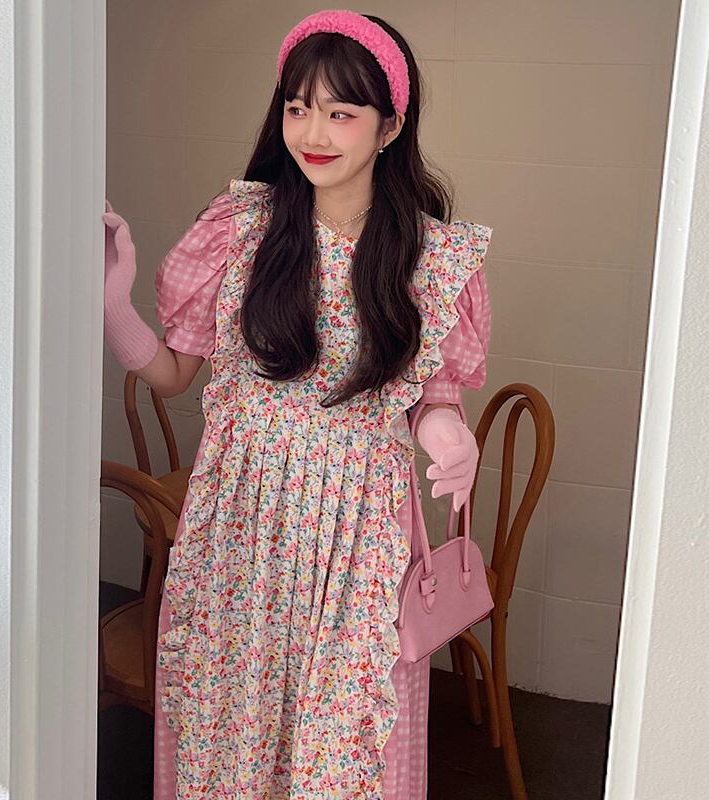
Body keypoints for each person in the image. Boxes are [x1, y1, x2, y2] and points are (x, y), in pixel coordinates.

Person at [102, 9, 492, 798]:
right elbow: (176, 375)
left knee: (337, 754)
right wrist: (112, 308)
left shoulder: (430, 256)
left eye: (340, 113)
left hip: (358, 539)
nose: (312, 132)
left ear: (389, 126)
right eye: (297, 107)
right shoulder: (241, 230)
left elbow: (433, 396)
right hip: (240, 528)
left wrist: (448, 431)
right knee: (230, 732)